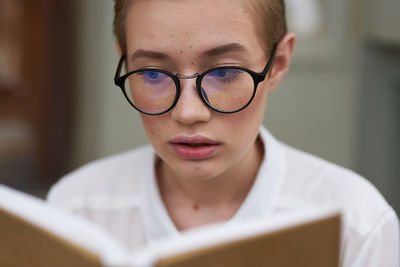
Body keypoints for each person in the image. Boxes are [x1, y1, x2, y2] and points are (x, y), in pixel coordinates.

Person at [47, 0, 399, 266]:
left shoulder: (354, 227)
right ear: (125, 62)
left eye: (225, 72)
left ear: (277, 64)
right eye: (153, 73)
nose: (188, 113)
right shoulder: (77, 209)